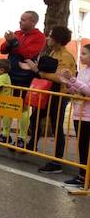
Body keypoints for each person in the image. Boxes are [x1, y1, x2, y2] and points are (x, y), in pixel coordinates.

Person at [21, 25, 76, 174]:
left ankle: (57, 161)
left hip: (59, 95)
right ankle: (32, 144)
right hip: (48, 93)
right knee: (35, 117)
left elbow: (60, 77)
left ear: (57, 39)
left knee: (56, 126)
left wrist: (39, 72)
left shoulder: (65, 56)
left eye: (50, 36)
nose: (48, 38)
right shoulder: (54, 52)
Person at [0, 10, 46, 147]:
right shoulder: (17, 33)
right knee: (8, 103)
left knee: (24, 106)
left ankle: (21, 137)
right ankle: (5, 134)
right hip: (11, 72)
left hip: (25, 75)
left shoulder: (39, 37)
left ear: (33, 22)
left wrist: (14, 42)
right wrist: (9, 42)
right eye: (20, 19)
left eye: (24, 20)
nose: (20, 22)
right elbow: (2, 49)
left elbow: (28, 53)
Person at [59, 44, 90, 188]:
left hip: (88, 115)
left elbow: (88, 91)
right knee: (82, 146)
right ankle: (82, 175)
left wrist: (72, 79)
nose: (81, 56)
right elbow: (79, 89)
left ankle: (86, 177)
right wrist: (67, 83)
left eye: (84, 54)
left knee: (86, 146)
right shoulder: (84, 71)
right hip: (79, 112)